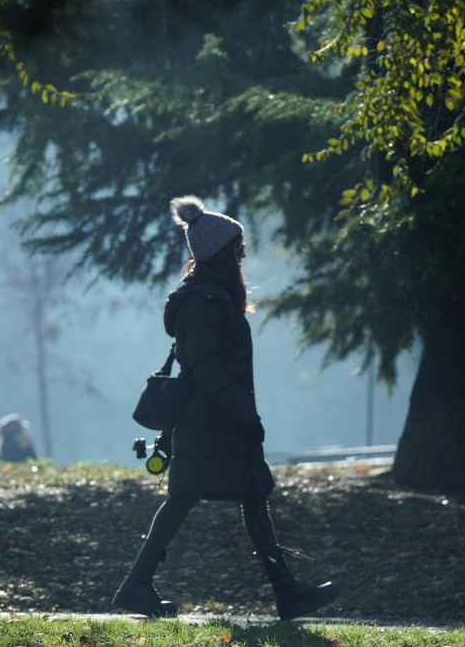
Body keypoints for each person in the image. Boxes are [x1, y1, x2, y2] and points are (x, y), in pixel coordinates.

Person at [112, 196, 340, 620]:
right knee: (196, 496)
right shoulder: (205, 301)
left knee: (242, 494)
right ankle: (138, 583)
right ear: (219, 253)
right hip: (212, 420)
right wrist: (245, 416)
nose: (242, 255)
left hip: (215, 419)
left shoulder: (211, 297)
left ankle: (283, 590)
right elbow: (207, 367)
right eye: (237, 248)